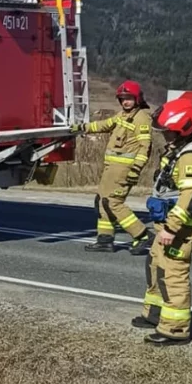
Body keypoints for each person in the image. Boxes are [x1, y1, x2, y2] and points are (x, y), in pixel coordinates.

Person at [135, 98, 192, 345]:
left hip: (181, 226)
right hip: (167, 222)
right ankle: (155, 314)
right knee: (156, 264)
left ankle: (175, 329)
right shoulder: (178, 148)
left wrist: (171, 228)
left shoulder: (191, 157)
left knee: (173, 272)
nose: (165, 134)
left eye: (168, 130)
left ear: (182, 129)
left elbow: (190, 197)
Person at [72, 80, 153, 254]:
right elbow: (105, 125)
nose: (125, 102)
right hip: (111, 167)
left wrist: (136, 169)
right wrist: (82, 128)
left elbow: (145, 147)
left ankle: (143, 235)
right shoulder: (122, 115)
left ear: (137, 99)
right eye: (122, 99)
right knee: (102, 201)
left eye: (129, 98)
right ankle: (105, 239)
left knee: (113, 202)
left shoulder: (142, 118)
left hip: (123, 169)